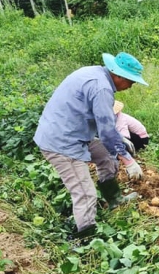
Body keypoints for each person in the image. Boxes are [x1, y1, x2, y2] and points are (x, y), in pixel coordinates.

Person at [33, 51, 148, 239]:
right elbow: (105, 131)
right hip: (62, 143)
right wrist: (128, 161)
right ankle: (86, 238)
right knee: (85, 193)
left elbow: (105, 123)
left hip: (73, 133)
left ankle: (114, 200)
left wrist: (118, 139)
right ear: (118, 75)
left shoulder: (95, 73)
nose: (131, 85)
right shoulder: (102, 88)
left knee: (106, 156)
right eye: (131, 81)